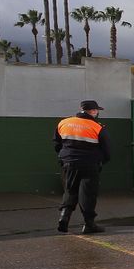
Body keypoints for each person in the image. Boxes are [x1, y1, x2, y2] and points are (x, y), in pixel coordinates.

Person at [55, 100, 110, 234]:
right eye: (97, 111)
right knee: (88, 194)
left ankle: (64, 217)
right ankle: (89, 224)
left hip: (68, 163)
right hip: (89, 164)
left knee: (70, 190)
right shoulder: (97, 127)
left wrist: (64, 158)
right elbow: (106, 150)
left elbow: (57, 144)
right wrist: (101, 162)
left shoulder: (64, 123)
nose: (97, 113)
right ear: (92, 111)